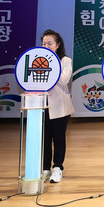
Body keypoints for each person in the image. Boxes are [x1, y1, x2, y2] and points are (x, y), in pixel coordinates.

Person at [41, 29, 74, 183]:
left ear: (57, 45)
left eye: (50, 43)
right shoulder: (37, 59)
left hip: (60, 106)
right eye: (43, 44)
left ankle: (58, 168)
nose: (46, 46)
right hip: (42, 105)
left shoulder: (65, 61)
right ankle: (45, 169)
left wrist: (51, 64)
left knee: (58, 138)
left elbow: (63, 80)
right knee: (45, 139)